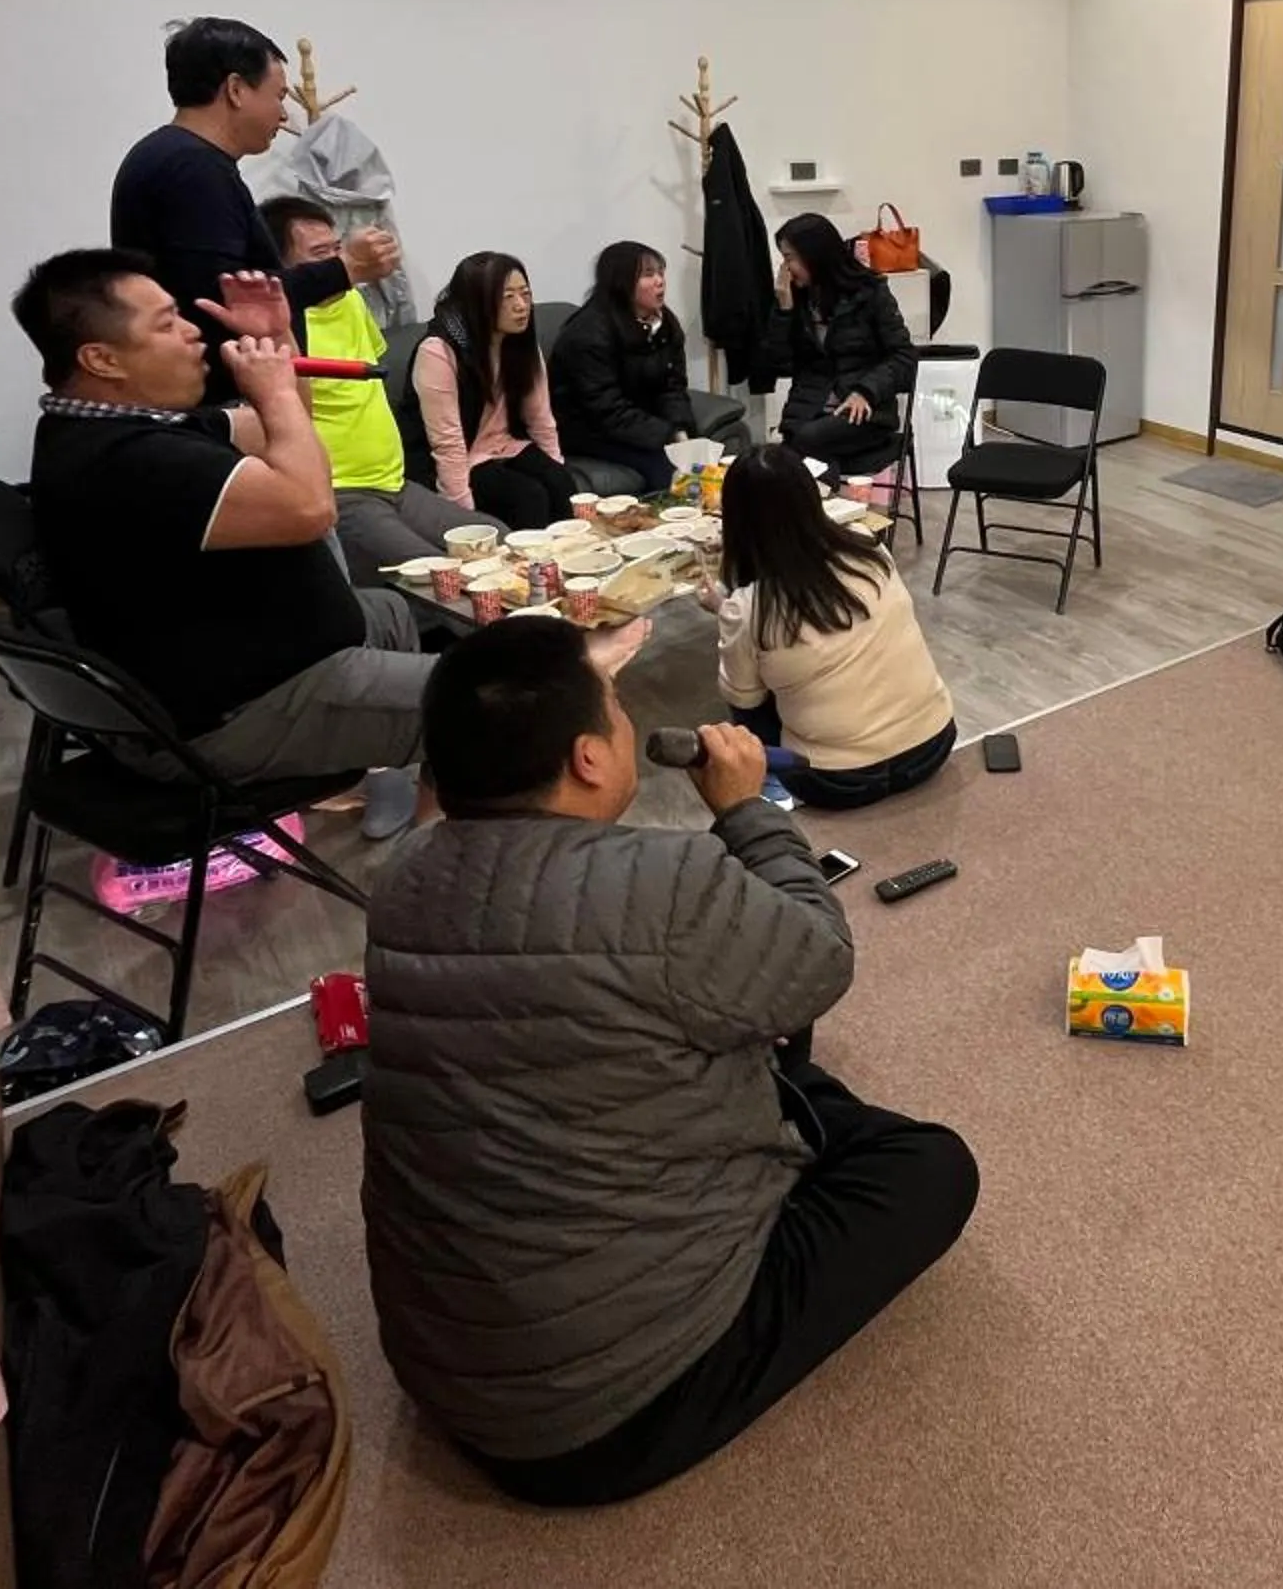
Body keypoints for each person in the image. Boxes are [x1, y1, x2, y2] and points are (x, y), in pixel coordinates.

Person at [362, 621, 978, 1505]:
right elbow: (820, 958)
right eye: (613, 708)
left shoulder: (401, 873)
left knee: (734, 1025)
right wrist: (746, 812)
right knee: (928, 1168)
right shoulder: (672, 881)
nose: (623, 722)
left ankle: (772, 1105)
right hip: (600, 1421)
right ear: (586, 759)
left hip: (440, 1366)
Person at [13, 247, 435, 808]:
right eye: (167, 323)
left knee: (391, 610)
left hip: (270, 660)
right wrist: (277, 391)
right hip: (236, 713)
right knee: (519, 705)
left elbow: (281, 429)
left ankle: (411, 782)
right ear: (102, 359)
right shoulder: (124, 460)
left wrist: (280, 341)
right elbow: (311, 507)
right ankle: (446, 841)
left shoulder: (119, 422)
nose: (193, 332)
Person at [112, 18, 401, 400]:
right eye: (279, 95)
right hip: (210, 403)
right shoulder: (192, 168)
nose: (283, 116)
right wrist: (346, 268)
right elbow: (227, 297)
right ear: (235, 89)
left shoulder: (179, 159)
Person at [705, 446, 956, 812]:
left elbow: (745, 700)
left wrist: (724, 611)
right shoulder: (871, 550)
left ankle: (768, 784)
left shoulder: (749, 606)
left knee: (751, 693)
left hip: (835, 780)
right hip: (933, 744)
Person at [259, 196, 495, 572]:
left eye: (339, 249)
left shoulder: (351, 299)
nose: (338, 263)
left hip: (394, 483)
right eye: (322, 254)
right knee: (443, 575)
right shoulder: (279, 329)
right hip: (343, 492)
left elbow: (371, 377)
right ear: (283, 269)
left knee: (496, 539)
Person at [549, 240, 739, 494]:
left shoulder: (664, 323)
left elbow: (673, 386)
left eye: (661, 272)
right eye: (648, 275)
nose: (660, 281)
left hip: (639, 422)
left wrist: (682, 429)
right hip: (590, 429)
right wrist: (666, 435)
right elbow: (606, 410)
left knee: (708, 461)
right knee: (672, 472)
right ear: (621, 283)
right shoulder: (588, 334)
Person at [413, 251, 576, 530]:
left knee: (561, 483)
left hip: (505, 444)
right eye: (507, 296)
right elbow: (447, 443)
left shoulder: (521, 342)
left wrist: (556, 467)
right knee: (527, 497)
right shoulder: (439, 351)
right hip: (463, 457)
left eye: (525, 294)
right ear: (477, 301)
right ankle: (528, 571)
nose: (521, 305)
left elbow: (541, 419)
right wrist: (464, 517)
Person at [760, 213, 913, 475]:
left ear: (814, 256)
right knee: (781, 455)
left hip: (864, 412)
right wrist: (784, 311)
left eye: (789, 258)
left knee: (806, 445)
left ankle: (820, 510)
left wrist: (865, 391)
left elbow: (904, 357)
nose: (785, 268)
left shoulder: (870, 292)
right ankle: (825, 509)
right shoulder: (795, 298)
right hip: (809, 409)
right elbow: (777, 364)